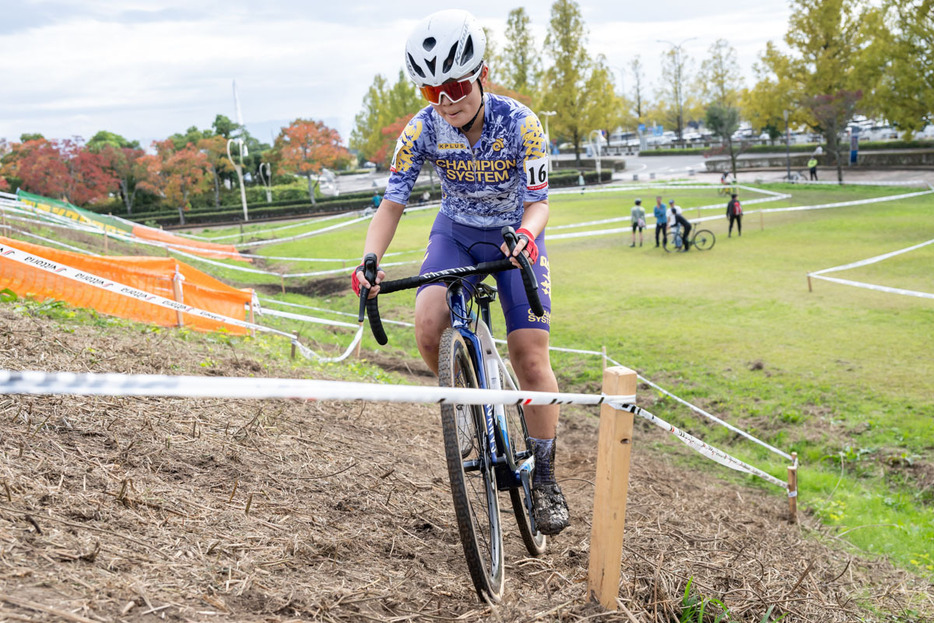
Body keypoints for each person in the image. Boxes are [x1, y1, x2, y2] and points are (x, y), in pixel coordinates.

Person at [351, 9, 568, 535]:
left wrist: (526, 236)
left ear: (482, 75)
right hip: (456, 232)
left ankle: (544, 476)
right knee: (428, 325)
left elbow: (540, 202)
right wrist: (369, 261)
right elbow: (391, 204)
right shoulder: (420, 131)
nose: (446, 102)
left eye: (455, 86)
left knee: (531, 358)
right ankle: (468, 403)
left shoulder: (521, 123)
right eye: (432, 92)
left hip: (515, 234)